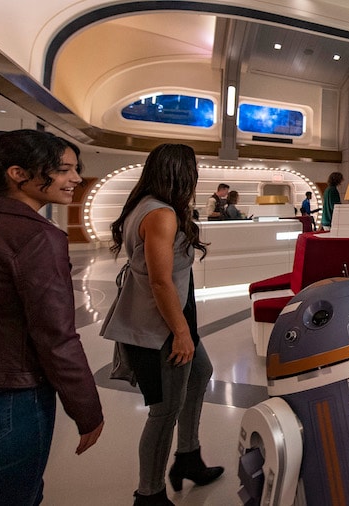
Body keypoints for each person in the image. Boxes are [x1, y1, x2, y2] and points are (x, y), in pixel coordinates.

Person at [0, 130, 104, 506]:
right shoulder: (35, 236)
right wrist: (87, 410)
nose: (76, 179)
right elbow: (55, 335)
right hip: (9, 398)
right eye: (63, 170)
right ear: (18, 173)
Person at [101, 144, 223, 505]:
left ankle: (187, 457)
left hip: (169, 318)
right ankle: (149, 493)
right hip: (160, 327)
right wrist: (181, 333)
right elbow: (160, 280)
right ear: (182, 172)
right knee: (164, 411)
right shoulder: (161, 213)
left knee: (200, 373)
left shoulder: (145, 206)